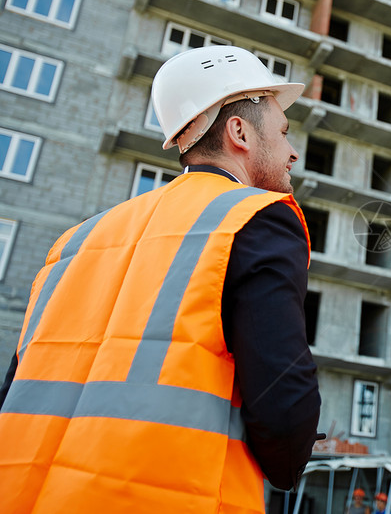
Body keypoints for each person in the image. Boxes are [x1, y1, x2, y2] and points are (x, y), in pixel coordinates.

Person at [0, 45, 322, 513]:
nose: (292, 152)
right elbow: (281, 396)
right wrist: (290, 464)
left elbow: (21, 383)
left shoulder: (76, 239)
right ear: (239, 132)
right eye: (283, 131)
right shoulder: (253, 219)